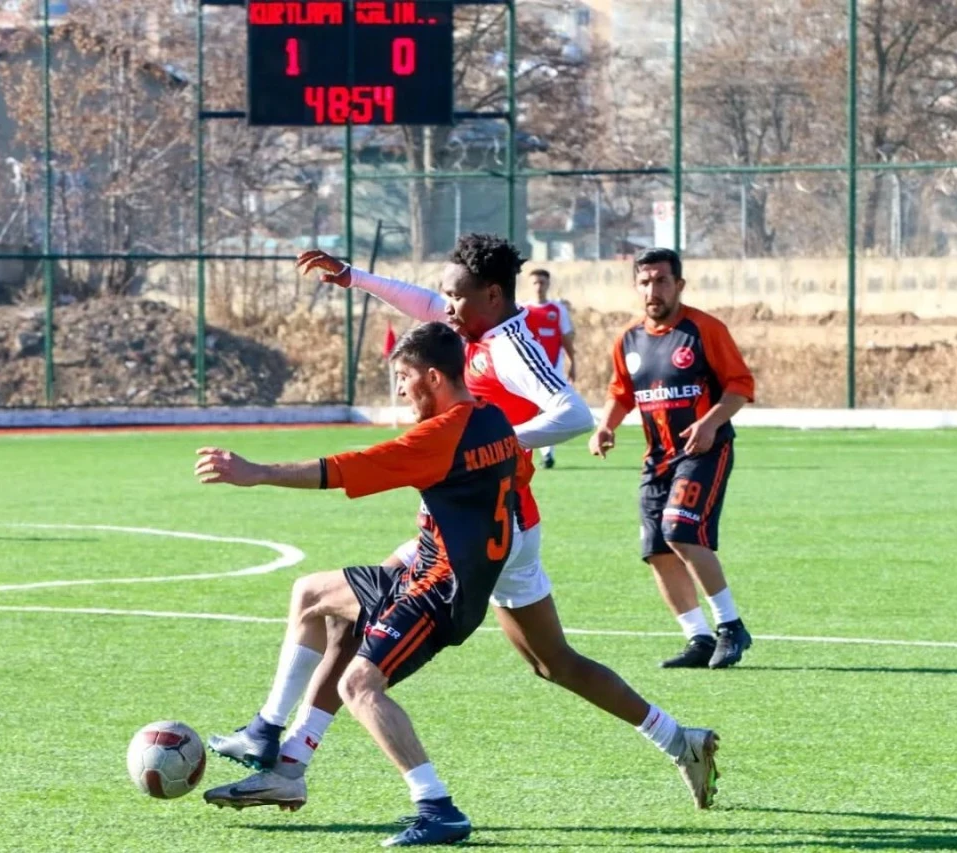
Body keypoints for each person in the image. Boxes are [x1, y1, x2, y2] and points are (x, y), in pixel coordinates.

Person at [206, 234, 721, 817]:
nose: (445, 305)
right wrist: (355, 277)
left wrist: (489, 445)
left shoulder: (507, 347)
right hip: (496, 518)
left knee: (345, 619)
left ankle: (286, 746)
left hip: (484, 528)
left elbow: (573, 413)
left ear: (493, 296)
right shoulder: (473, 330)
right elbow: (425, 303)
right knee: (553, 662)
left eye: (457, 296)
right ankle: (681, 739)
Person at [197, 322, 527, 847]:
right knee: (312, 597)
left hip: (439, 594)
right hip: (424, 569)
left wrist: (257, 471)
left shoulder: (440, 435)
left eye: (403, 377)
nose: (399, 389)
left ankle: (437, 806)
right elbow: (510, 496)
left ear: (435, 377)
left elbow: (350, 468)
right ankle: (273, 748)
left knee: (359, 685)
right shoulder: (495, 420)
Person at [588, 247, 755, 669]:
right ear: (636, 287)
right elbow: (621, 392)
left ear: (678, 285)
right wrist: (605, 425)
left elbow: (739, 386)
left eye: (662, 280)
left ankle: (731, 626)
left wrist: (710, 423)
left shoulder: (704, 330)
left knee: (680, 530)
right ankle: (697, 638)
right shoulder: (628, 339)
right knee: (657, 549)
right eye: (645, 281)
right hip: (657, 458)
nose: (653, 289)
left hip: (704, 450)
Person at [523, 268, 577, 469]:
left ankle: (547, 454)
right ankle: (524, 452)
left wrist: (573, 363)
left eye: (542, 283)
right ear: (530, 285)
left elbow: (566, 338)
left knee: (550, 410)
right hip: (528, 369)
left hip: (553, 368)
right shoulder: (522, 310)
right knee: (529, 409)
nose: (539, 287)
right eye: (535, 283)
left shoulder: (557, 310)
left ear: (548, 284)